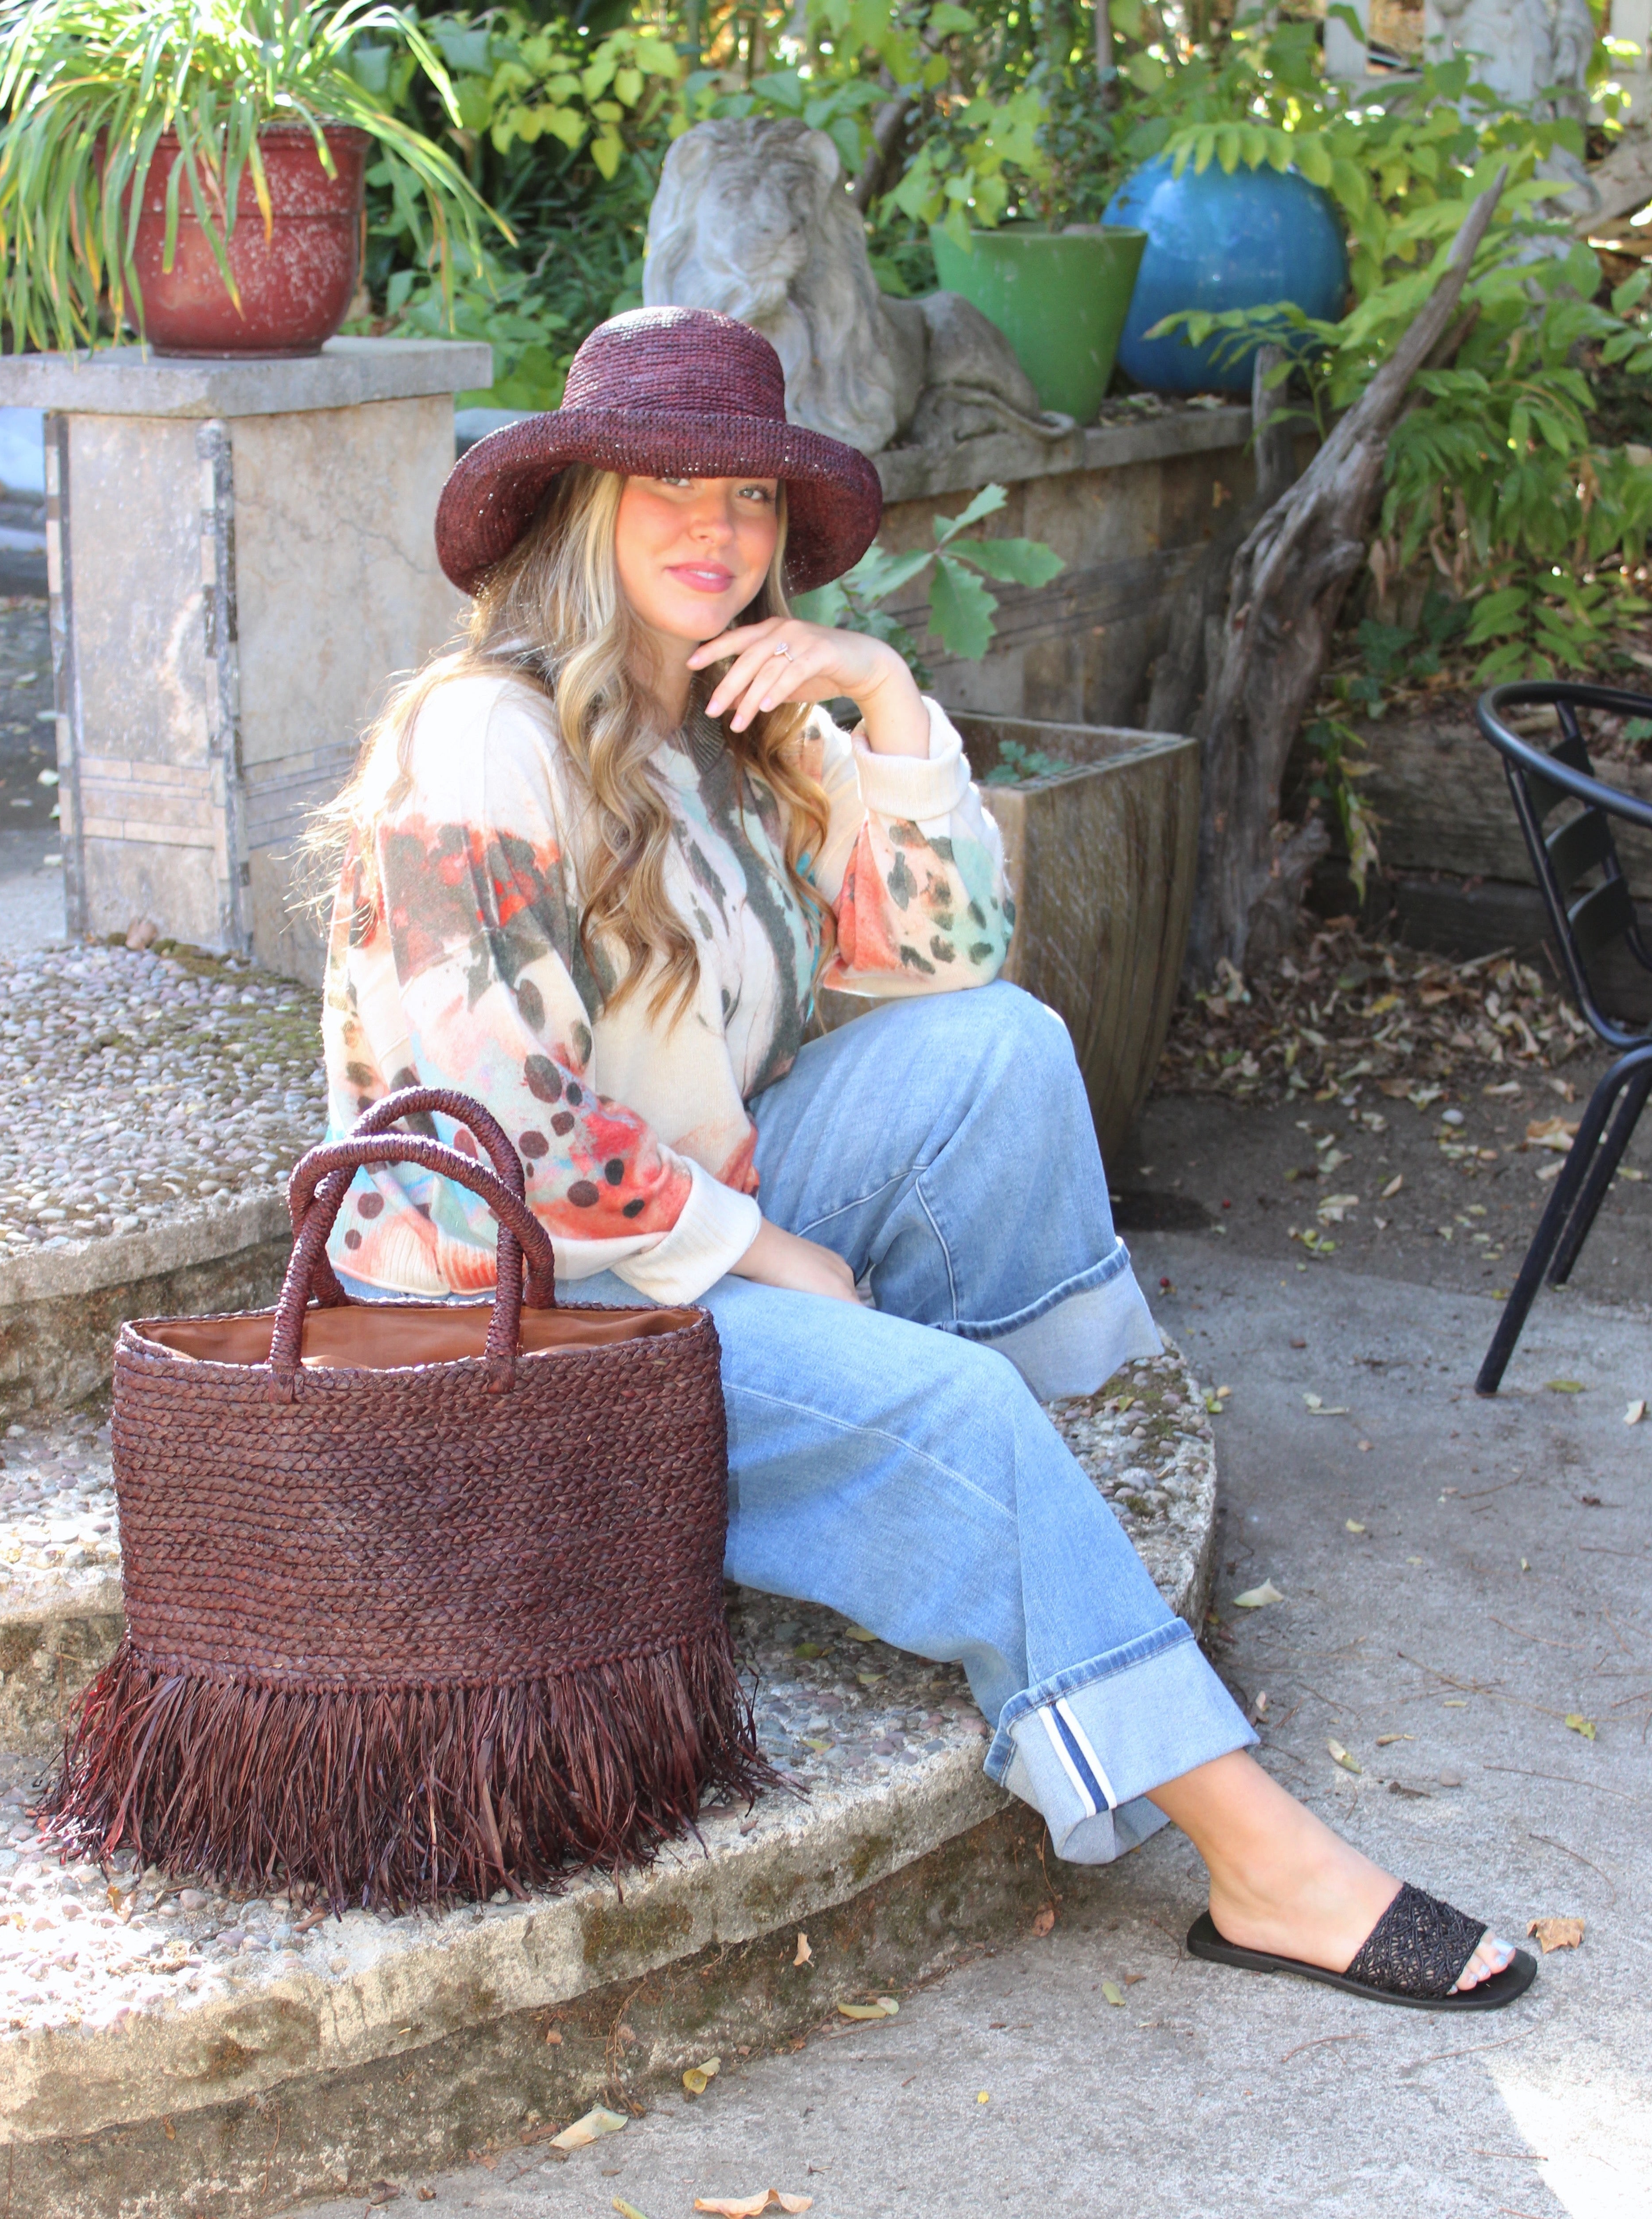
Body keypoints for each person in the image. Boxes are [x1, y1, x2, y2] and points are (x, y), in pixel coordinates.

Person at [313, 306, 1532, 2012]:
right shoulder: (482, 740)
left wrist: (883, 701)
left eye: (746, 496)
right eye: (663, 485)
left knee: (1004, 1052)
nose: (713, 529)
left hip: (656, 1233)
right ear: (573, 506)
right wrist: (755, 1248)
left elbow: (953, 960)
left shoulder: (735, 727)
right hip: (509, 1316)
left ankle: (1022, 1494)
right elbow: (497, 1126)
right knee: (948, 1410)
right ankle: (1262, 1861)